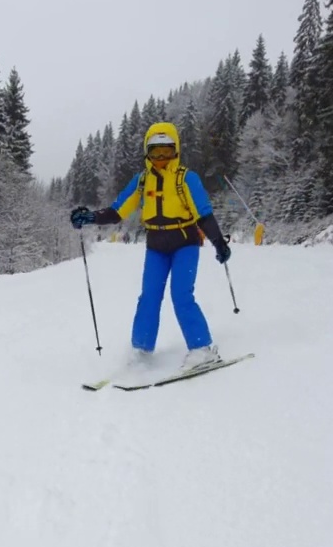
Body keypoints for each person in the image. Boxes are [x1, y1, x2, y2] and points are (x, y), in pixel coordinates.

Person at [70, 122, 231, 369]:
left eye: (166, 151)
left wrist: (218, 243)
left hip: (185, 243)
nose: (161, 158)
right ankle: (141, 350)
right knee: (149, 297)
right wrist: (90, 216)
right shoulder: (142, 181)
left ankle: (202, 348)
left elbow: (204, 214)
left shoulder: (186, 178)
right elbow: (117, 211)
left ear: (176, 150)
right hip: (156, 246)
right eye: (155, 152)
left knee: (181, 294)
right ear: (147, 152)